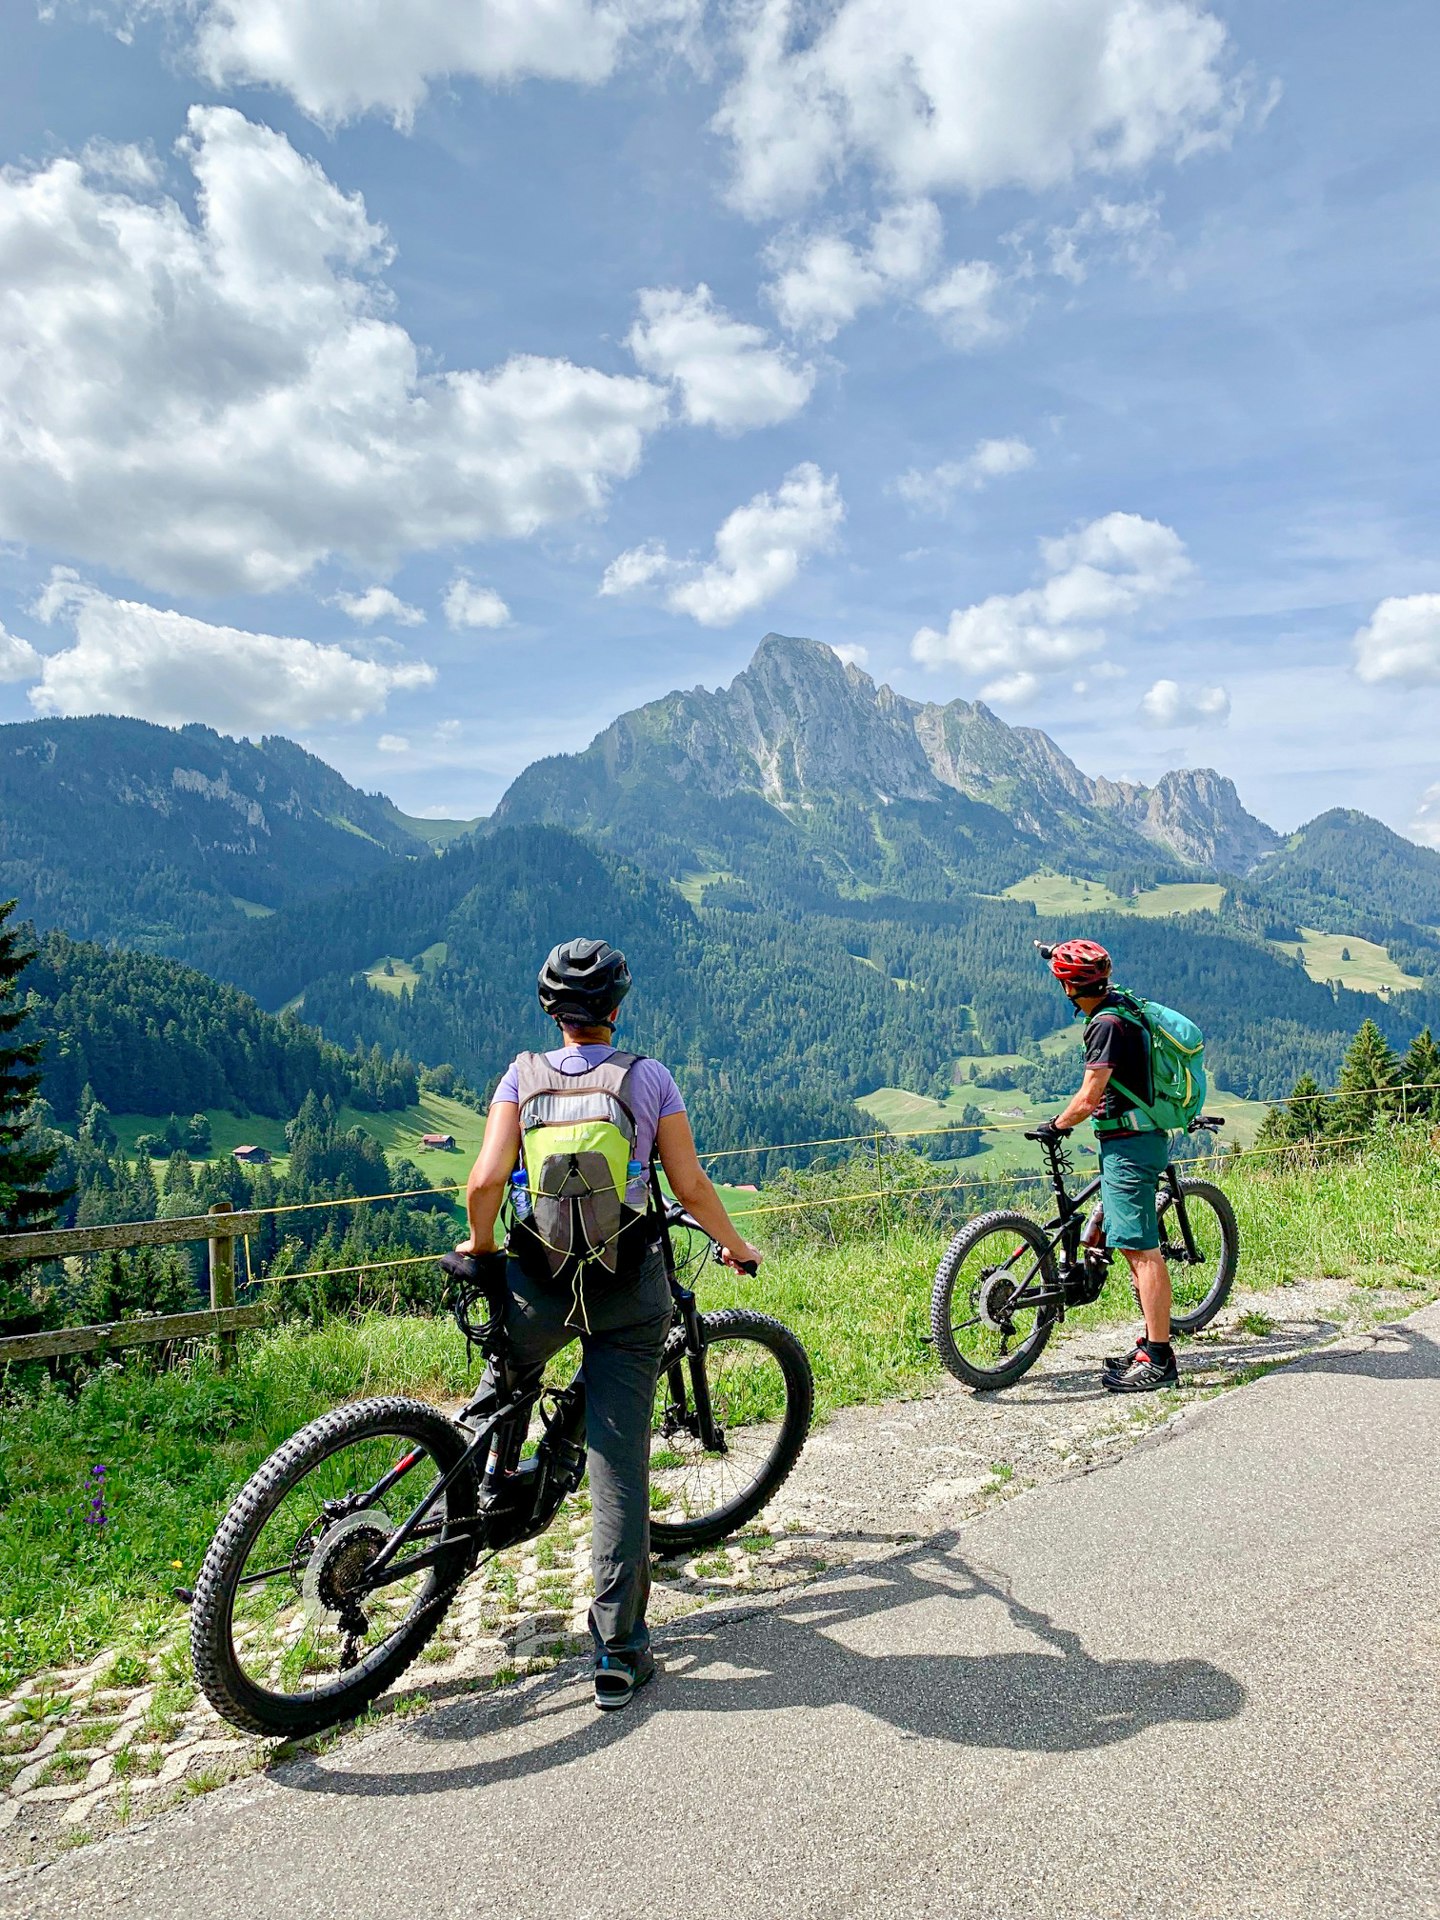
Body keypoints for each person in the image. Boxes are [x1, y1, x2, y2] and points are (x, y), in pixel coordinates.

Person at [457, 936, 762, 1710]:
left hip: (539, 1282)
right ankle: (619, 1651)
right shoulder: (647, 1077)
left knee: (505, 1379)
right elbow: (689, 1186)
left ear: (552, 1010)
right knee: (618, 1465)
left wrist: (484, 1249)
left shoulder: (520, 1076)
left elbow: (486, 1180)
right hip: (627, 1290)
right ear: (617, 1006)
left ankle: (481, 1494)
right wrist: (734, 1246)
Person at [1033, 938, 1177, 1393]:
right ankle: (1149, 1345)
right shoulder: (1122, 1006)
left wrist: (1056, 1125)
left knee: (1140, 1250)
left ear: (1071, 988)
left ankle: (1159, 1361)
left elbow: (1088, 1097)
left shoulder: (1105, 1025)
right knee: (1131, 1244)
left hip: (1130, 1146)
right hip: (1133, 1138)